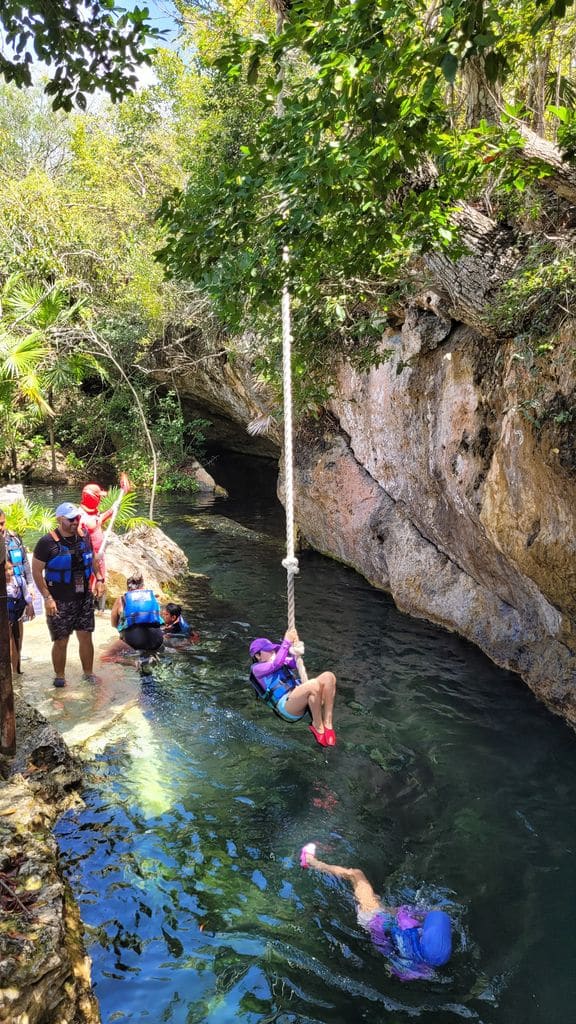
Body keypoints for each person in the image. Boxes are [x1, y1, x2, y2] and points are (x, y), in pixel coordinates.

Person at [299, 844, 452, 980]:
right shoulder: (420, 962)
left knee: (356, 874)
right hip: (382, 921)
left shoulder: (416, 939)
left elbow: (385, 929)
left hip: (374, 916)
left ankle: (312, 862)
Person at [32, 502, 98, 688]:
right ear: (60, 519)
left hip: (83, 597)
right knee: (61, 640)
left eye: (77, 518)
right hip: (59, 600)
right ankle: (59, 676)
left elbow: (91, 559)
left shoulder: (84, 537)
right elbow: (37, 571)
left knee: (86, 636)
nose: (75, 522)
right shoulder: (47, 543)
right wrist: (47, 597)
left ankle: (88, 673)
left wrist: (99, 579)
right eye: (70, 519)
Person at [249, 627, 337, 746]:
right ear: (258, 656)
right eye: (269, 650)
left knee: (329, 676)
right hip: (286, 706)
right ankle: (317, 726)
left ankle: (328, 723)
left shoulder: (280, 660)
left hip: (299, 698)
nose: (273, 652)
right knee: (313, 684)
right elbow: (276, 664)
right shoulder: (257, 669)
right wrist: (286, 641)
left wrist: (296, 651)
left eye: (273, 650)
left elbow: (294, 663)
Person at [0, 507, 36, 671]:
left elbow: (25, 564)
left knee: (17, 637)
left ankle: (16, 672)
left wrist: (29, 586)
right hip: (3, 598)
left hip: (18, 595)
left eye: (1, 523)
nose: (0, 528)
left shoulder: (14, 539)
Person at [78, 483, 112, 611]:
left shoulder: (93, 515)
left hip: (99, 557)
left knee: (101, 583)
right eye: (99, 497)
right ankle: (86, 609)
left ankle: (100, 609)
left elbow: (99, 520)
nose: (101, 499)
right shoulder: (80, 517)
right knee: (88, 587)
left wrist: (112, 510)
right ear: (94, 498)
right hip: (89, 559)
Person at [110, 574, 164, 654]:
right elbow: (159, 620)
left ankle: (133, 662)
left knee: (105, 657)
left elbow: (114, 624)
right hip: (157, 640)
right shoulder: (152, 597)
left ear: (128, 587)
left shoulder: (121, 599)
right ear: (143, 586)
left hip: (134, 642)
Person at [5, 560, 34, 674]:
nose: (8, 572)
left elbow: (26, 595)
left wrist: (30, 606)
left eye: (10, 568)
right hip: (4, 619)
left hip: (18, 616)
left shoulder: (20, 580)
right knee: (7, 645)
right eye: (5, 570)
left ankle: (17, 672)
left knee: (18, 644)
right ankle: (7, 673)